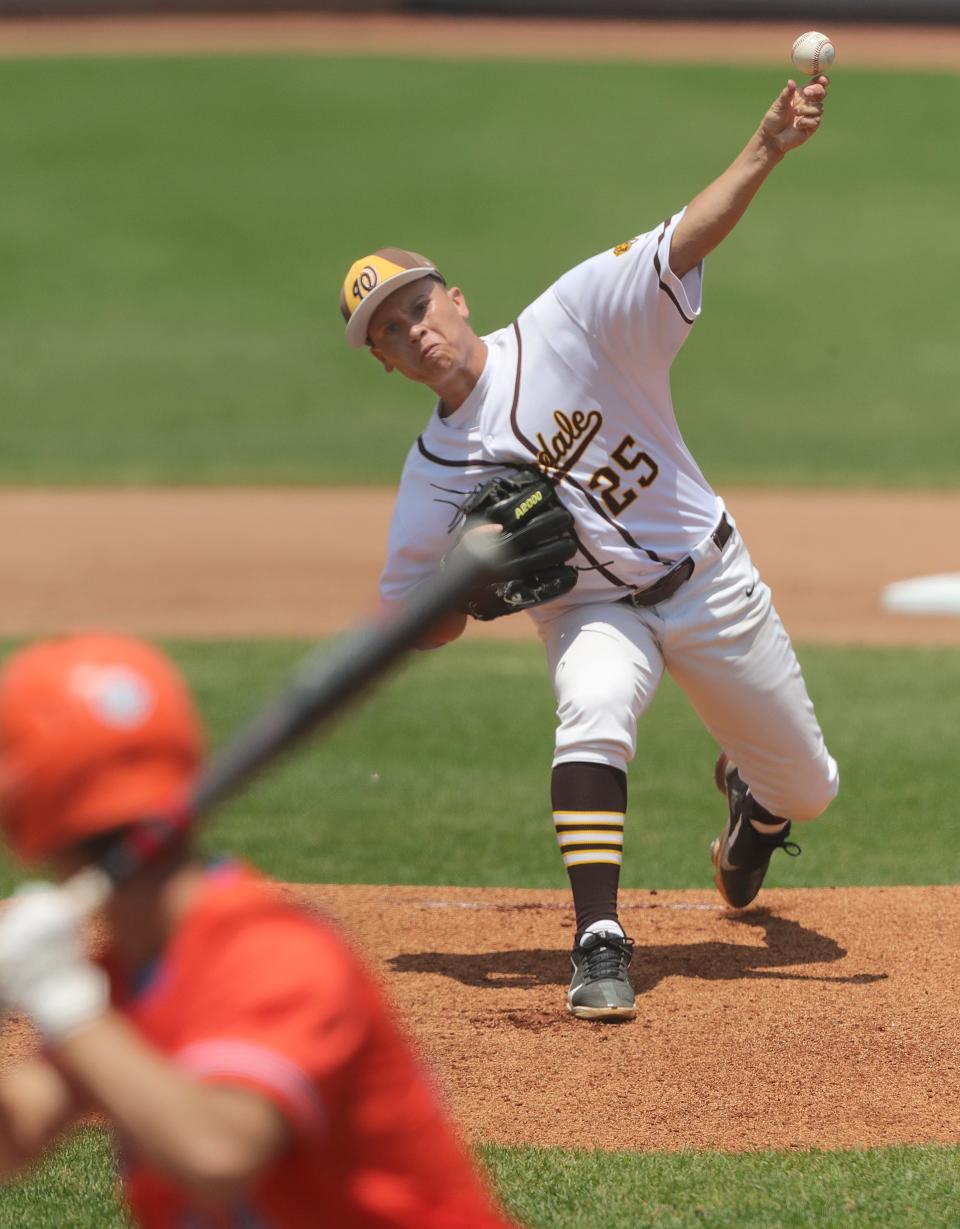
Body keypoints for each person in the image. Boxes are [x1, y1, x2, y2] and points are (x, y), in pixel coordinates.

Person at [338, 77, 839, 1022]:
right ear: (386, 364)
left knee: (809, 788)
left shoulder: (572, 320)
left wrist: (766, 147)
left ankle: (754, 805)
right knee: (594, 708)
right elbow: (412, 622)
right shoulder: (432, 475)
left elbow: (681, 238)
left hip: (709, 579)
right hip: (589, 611)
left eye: (418, 305)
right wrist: (463, 581)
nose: (415, 330)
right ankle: (599, 938)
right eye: (391, 331)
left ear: (455, 297)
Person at [0, 633, 517, 1228]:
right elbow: (15, 1137)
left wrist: (64, 1004)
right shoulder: (125, 975)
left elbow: (218, 1152)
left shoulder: (274, 954)